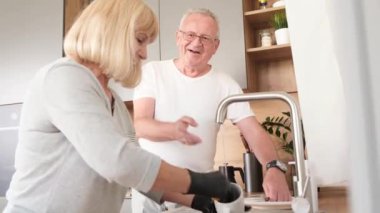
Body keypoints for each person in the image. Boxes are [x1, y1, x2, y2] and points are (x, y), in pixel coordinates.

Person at [3, 1, 236, 213]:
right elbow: (118, 162)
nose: (144, 53)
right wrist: (198, 181)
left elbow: (136, 172)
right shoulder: (64, 77)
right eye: (140, 39)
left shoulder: (114, 102)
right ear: (111, 32)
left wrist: (195, 200)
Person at [132, 8, 292, 212]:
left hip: (197, 195)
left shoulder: (226, 85)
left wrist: (273, 166)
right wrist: (172, 130)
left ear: (216, 46)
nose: (196, 42)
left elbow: (253, 131)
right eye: (190, 34)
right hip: (150, 192)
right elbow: (141, 125)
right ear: (178, 37)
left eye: (205, 38)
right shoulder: (152, 72)